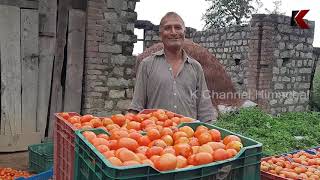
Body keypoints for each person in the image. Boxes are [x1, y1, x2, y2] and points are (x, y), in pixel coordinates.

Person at [129, 12, 216, 122]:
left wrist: (211, 135)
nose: (173, 32)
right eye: (168, 28)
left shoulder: (196, 67)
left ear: (184, 32)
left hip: (188, 136)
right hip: (155, 135)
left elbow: (205, 111)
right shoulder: (147, 65)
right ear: (161, 34)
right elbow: (137, 107)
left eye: (178, 28)